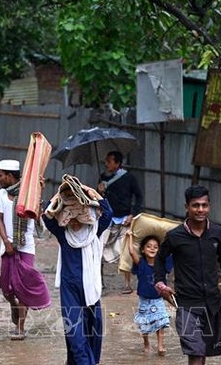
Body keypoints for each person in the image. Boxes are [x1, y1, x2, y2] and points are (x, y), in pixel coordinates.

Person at [154, 185, 221, 364]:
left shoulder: (217, 233)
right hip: (187, 305)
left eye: (204, 205)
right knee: (196, 352)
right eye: (195, 205)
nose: (200, 210)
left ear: (209, 206)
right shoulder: (175, 236)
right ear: (187, 207)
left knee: (203, 350)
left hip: (212, 303)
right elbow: (159, 259)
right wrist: (161, 285)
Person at [42, 175, 113, 365]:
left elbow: (107, 213)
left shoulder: (94, 231)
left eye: (77, 213)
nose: (73, 220)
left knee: (92, 328)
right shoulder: (63, 234)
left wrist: (88, 191)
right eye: (68, 214)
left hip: (90, 290)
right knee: (74, 331)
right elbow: (46, 216)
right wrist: (58, 196)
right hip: (70, 288)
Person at [0, 159, 51, 341]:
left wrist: (39, 192)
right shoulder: (2, 194)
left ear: (10, 176)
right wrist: (6, 242)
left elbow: (38, 216)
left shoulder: (29, 195)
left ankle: (20, 327)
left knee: (23, 287)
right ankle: (13, 304)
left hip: (25, 246)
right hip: (7, 246)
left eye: (0, 175)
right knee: (6, 286)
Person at [97, 150, 143, 294]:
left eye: (109, 161)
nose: (106, 163)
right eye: (106, 161)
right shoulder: (103, 177)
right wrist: (100, 191)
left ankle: (127, 284)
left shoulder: (129, 178)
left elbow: (139, 196)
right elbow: (98, 198)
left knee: (126, 252)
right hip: (107, 219)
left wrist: (133, 214)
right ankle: (99, 282)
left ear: (117, 163)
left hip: (124, 219)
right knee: (99, 249)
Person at [126, 232, 173, 356]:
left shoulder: (163, 264)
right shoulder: (141, 263)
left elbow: (173, 252)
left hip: (158, 298)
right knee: (144, 323)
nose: (152, 248)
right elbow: (131, 252)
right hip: (144, 299)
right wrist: (129, 237)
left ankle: (160, 345)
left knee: (161, 320)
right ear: (143, 249)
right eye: (149, 246)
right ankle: (146, 343)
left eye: (155, 247)